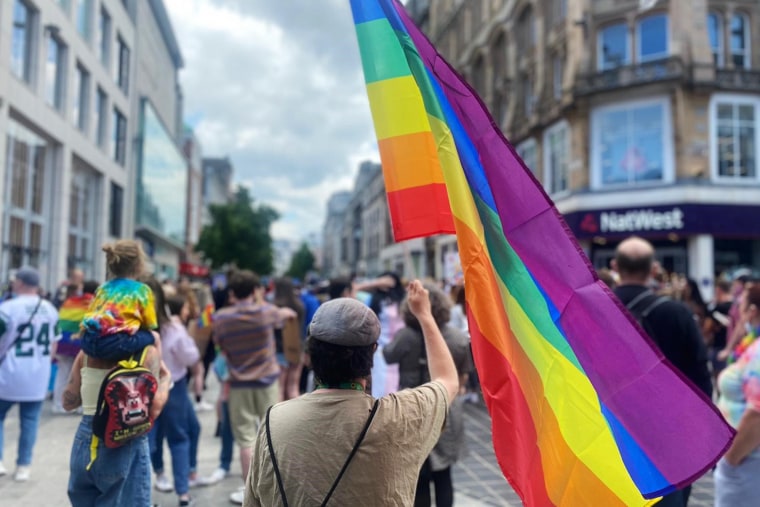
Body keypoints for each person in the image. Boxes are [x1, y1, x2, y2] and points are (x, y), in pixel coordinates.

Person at [244, 280, 459, 506]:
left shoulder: (273, 421)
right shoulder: (400, 417)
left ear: (310, 354)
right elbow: (447, 380)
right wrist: (425, 315)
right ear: (372, 351)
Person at [611, 236, 712, 507]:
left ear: (614, 266)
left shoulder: (596, 311)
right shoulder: (677, 314)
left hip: (611, 433)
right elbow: (700, 377)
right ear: (654, 270)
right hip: (670, 437)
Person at [384, 283, 472, 507]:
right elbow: (464, 373)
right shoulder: (457, 338)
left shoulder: (405, 337)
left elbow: (389, 355)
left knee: (418, 476)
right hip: (446, 408)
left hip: (412, 408)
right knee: (444, 476)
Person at [212, 270, 294, 505]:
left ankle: (250, 493)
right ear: (256, 291)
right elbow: (285, 314)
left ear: (231, 293)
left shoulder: (222, 318)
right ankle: (276, 486)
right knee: (271, 434)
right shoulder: (266, 312)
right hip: (267, 381)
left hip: (239, 384)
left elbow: (220, 345)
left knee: (246, 441)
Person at [65, 334, 170, 506]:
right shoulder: (147, 353)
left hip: (85, 439)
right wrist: (166, 378)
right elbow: (155, 409)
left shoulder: (86, 352)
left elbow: (68, 403)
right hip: (125, 443)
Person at [142, 279, 202, 507]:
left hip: (142, 389)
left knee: (146, 442)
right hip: (172, 386)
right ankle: (183, 495)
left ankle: (144, 495)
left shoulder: (136, 327)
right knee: (179, 438)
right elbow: (191, 357)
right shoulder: (172, 329)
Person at [0, 267, 59, 481]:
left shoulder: (7, 308)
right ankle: (24, 466)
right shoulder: (50, 310)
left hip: (8, 372)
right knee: (30, 420)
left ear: (22, 283)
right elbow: (54, 345)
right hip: (37, 374)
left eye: (15, 280)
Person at [714, 283, 760, 506]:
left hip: (748, 462)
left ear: (752, 311)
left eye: (741, 305)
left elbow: (758, 414)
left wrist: (732, 460)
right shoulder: (752, 343)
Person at [80, 241, 157, 361]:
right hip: (116, 344)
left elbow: (91, 312)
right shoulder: (142, 290)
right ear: (138, 266)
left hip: (88, 342)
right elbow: (150, 324)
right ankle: (158, 374)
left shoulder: (102, 288)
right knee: (153, 336)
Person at [52, 280, 99, 414]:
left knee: (62, 373)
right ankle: (78, 406)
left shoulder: (70, 301)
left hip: (62, 342)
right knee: (80, 376)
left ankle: (58, 404)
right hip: (79, 344)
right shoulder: (94, 304)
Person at [368, 271, 405, 398]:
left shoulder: (403, 300)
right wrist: (376, 283)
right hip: (380, 352)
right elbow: (354, 289)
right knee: (381, 391)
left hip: (401, 350)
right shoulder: (374, 300)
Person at [273, 277, 305, 401]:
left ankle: (279, 418)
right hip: (297, 349)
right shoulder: (300, 306)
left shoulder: (275, 308)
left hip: (279, 351)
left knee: (279, 388)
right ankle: (295, 418)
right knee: (293, 387)